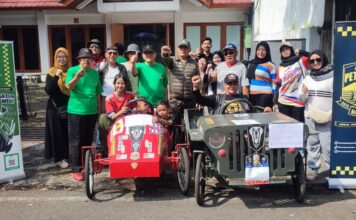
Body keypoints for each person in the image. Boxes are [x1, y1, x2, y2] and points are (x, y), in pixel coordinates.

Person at [66, 48, 103, 181]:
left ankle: (86, 164)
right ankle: (76, 168)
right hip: (76, 111)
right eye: (83, 58)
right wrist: (77, 76)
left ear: (92, 60)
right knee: (76, 140)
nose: (86, 60)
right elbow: (69, 87)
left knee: (88, 140)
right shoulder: (72, 70)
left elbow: (98, 91)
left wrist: (99, 109)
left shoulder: (94, 72)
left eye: (89, 58)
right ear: (79, 60)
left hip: (91, 111)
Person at [298, 50, 333, 181]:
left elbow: (337, 97)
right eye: (312, 61)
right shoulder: (308, 77)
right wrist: (302, 93)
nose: (316, 63)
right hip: (310, 116)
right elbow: (301, 99)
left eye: (318, 59)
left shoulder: (333, 76)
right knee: (312, 144)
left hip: (327, 117)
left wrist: (332, 114)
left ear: (324, 59)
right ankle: (313, 170)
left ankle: (332, 171)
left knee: (327, 146)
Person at [97, 46, 131, 153]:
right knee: (103, 121)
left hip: (121, 96)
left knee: (122, 119)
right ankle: (103, 147)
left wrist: (129, 95)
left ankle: (123, 144)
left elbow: (126, 82)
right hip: (105, 97)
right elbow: (97, 82)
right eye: (110, 53)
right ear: (106, 55)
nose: (112, 55)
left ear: (117, 55)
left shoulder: (121, 68)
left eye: (114, 53)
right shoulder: (102, 67)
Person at [161, 39, 200, 123]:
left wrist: (198, 99)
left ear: (189, 49)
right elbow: (166, 59)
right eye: (181, 48)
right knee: (174, 125)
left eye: (185, 47)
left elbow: (198, 79)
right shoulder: (172, 61)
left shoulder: (194, 63)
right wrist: (165, 53)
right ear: (178, 50)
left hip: (190, 101)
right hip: (175, 102)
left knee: (190, 125)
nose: (183, 49)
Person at [44, 47, 71, 169]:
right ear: (55, 58)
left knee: (68, 132)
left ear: (67, 58)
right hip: (54, 108)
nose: (61, 59)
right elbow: (49, 90)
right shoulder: (51, 71)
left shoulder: (71, 71)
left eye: (64, 56)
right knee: (57, 133)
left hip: (69, 106)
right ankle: (60, 158)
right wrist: (56, 76)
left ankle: (69, 155)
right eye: (59, 57)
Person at [192, 73, 271, 114]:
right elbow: (200, 100)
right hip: (222, 133)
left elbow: (253, 112)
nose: (232, 86)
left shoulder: (244, 98)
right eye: (229, 84)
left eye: (235, 84)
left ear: (238, 85)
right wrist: (195, 86)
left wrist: (264, 111)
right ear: (225, 85)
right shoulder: (217, 98)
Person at [98, 74, 134, 152]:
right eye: (118, 83)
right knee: (102, 117)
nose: (120, 86)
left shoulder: (130, 95)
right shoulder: (109, 98)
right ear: (114, 84)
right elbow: (111, 117)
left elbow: (134, 109)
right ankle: (108, 144)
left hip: (129, 122)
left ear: (125, 84)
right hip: (115, 124)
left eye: (122, 84)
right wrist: (121, 111)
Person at [275, 41, 309, 122]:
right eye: (283, 50)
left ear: (291, 50)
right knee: (285, 128)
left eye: (287, 49)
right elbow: (278, 85)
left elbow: (313, 56)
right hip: (283, 101)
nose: (285, 51)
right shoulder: (280, 67)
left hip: (298, 100)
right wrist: (275, 102)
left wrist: (301, 51)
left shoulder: (301, 61)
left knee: (298, 127)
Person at [246, 41, 277, 108]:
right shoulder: (251, 64)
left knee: (263, 116)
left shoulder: (271, 65)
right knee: (252, 116)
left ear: (267, 52)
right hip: (252, 95)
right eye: (259, 50)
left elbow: (274, 82)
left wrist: (274, 100)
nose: (261, 52)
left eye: (263, 50)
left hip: (265, 95)